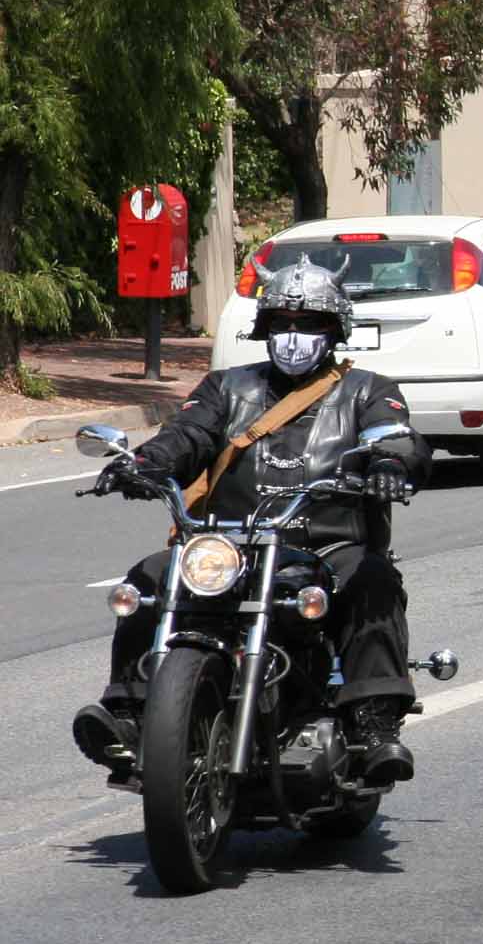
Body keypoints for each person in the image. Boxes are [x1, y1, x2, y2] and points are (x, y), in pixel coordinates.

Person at [72, 259, 430, 784]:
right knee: (147, 580)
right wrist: (145, 464)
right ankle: (128, 712)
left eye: (309, 323)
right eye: (282, 322)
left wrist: (389, 467)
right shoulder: (226, 388)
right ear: (264, 328)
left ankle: (375, 724)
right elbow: (188, 435)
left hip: (328, 545)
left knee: (373, 580)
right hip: (230, 544)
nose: (293, 335)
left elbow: (395, 437)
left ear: (335, 330)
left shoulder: (367, 390)